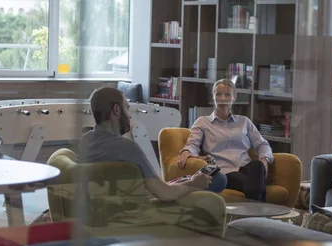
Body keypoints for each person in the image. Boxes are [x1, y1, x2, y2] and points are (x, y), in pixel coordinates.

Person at [79, 87, 226, 207]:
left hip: (106, 206)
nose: (129, 116)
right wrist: (194, 183)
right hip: (144, 206)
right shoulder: (127, 148)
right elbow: (165, 194)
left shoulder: (86, 140)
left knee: (184, 180)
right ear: (116, 110)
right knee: (218, 179)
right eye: (127, 108)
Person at [177, 79, 274, 202]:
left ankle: (253, 213)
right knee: (254, 183)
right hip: (224, 172)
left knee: (258, 165)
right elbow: (193, 144)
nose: (222, 98)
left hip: (246, 168)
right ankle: (259, 214)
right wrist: (186, 151)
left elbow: (263, 145)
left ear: (234, 98)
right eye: (218, 94)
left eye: (227, 94)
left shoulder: (244, 121)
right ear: (213, 97)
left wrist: (265, 160)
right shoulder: (203, 122)